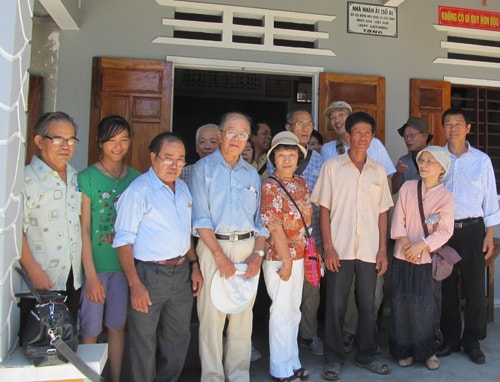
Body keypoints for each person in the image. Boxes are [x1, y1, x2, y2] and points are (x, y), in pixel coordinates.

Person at [113, 132, 203, 382]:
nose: (174, 165)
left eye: (180, 159)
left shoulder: (183, 189)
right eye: (168, 158)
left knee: (178, 339)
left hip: (181, 272)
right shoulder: (138, 191)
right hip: (148, 275)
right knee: (143, 341)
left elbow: (184, 234)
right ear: (153, 158)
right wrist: (135, 284)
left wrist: (194, 266)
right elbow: (123, 241)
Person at [312, 112, 393, 381]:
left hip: (370, 250)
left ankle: (366, 353)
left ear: (372, 137)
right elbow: (324, 210)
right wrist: (328, 248)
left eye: (367, 132)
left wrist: (383, 249)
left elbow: (383, 213)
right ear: (348, 134)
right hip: (340, 248)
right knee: (335, 305)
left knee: (368, 304)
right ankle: (334, 358)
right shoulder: (333, 167)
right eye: (357, 132)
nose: (362, 137)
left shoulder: (378, 171)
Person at [190, 112, 268, 382]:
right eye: (231, 132)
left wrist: (258, 256)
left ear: (249, 139)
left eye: (243, 134)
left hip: (247, 248)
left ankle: (238, 375)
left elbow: (261, 221)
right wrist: (220, 257)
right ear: (221, 135)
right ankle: (212, 376)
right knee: (211, 319)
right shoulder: (203, 170)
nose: (237, 138)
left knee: (242, 319)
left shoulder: (251, 174)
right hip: (213, 248)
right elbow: (200, 219)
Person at [78, 115, 140, 382]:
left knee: (117, 326)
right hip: (97, 267)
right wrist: (90, 276)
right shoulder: (86, 178)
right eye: (112, 140)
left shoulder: (136, 179)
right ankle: (88, 377)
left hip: (126, 269)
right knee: (90, 328)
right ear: (100, 143)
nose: (118, 146)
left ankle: (115, 378)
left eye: (124, 139)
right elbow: (82, 228)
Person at [437, 107, 500, 365]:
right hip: (444, 231)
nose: (453, 128)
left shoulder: (481, 160)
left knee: (475, 287)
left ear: (468, 128)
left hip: (474, 230)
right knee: (446, 287)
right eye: (448, 123)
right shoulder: (436, 158)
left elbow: (490, 198)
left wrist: (490, 233)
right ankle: (450, 338)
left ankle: (472, 340)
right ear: (443, 128)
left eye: (458, 123)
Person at [390, 146, 454, 371]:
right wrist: (407, 245)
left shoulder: (446, 196)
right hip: (403, 255)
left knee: (426, 306)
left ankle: (427, 351)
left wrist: (421, 246)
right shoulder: (408, 187)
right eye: (422, 160)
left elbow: (445, 231)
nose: (424, 165)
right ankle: (403, 350)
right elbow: (399, 218)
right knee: (401, 303)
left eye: (430, 161)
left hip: (427, 259)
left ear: (442, 168)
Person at [19, 111, 82, 336]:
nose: (66, 145)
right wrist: (33, 270)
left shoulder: (76, 178)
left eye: (71, 139)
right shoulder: (26, 180)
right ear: (39, 141)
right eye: (58, 139)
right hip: (39, 283)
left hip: (71, 280)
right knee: (36, 346)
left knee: (64, 344)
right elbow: (14, 231)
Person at [268, 109, 325, 356]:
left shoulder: (315, 165)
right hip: (280, 246)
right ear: (288, 127)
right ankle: (282, 355)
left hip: (310, 242)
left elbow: (322, 203)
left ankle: (305, 338)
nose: (305, 128)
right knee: (282, 302)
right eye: (299, 124)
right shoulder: (271, 170)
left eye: (309, 124)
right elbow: (270, 217)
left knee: (307, 294)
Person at [261, 131, 311, 382]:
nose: (287, 160)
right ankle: (280, 369)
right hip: (280, 257)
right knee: (281, 311)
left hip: (300, 254)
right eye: (281, 155)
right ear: (273, 158)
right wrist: (287, 260)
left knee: (293, 311)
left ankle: (293, 361)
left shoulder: (300, 183)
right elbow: (273, 225)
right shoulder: (270, 186)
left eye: (292, 155)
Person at [391, 117, 433, 194]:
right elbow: (392, 191)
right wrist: (398, 173)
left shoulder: (437, 157)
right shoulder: (404, 161)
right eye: (405, 136)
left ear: (425, 136)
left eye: (412, 135)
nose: (408, 139)